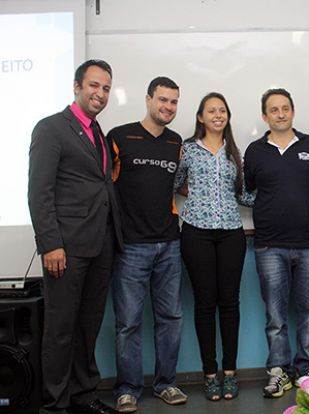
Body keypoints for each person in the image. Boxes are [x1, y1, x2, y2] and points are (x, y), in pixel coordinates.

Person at [28, 59, 123, 414]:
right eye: (94, 85)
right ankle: (55, 405)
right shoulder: (51, 128)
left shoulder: (98, 132)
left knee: (88, 327)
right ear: (77, 86)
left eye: (106, 88)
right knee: (60, 330)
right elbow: (39, 192)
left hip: (101, 244)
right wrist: (50, 244)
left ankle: (84, 396)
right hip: (66, 248)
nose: (100, 93)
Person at [108, 77, 187, 413]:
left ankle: (166, 384)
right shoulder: (120, 136)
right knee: (128, 322)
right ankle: (128, 389)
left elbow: (179, 185)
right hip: (130, 247)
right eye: (162, 100)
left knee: (171, 318)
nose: (167, 107)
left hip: (169, 244)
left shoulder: (176, 142)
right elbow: (104, 186)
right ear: (148, 99)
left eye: (173, 102)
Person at [244, 88, 309, 398]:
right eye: (274, 109)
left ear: (293, 111)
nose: (280, 114)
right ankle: (279, 372)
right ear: (265, 116)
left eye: (285, 108)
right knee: (275, 316)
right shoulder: (255, 151)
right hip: (269, 246)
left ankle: (307, 370)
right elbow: (248, 190)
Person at [175, 92, 253, 402]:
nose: (218, 115)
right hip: (196, 234)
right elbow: (174, 184)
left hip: (232, 234)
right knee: (205, 304)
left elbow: (243, 194)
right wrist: (198, 195)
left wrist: (279, 193)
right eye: (211, 111)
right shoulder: (188, 149)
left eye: (222, 110)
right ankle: (210, 375)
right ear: (201, 117)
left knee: (230, 303)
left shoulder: (234, 152)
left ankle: (230, 374)